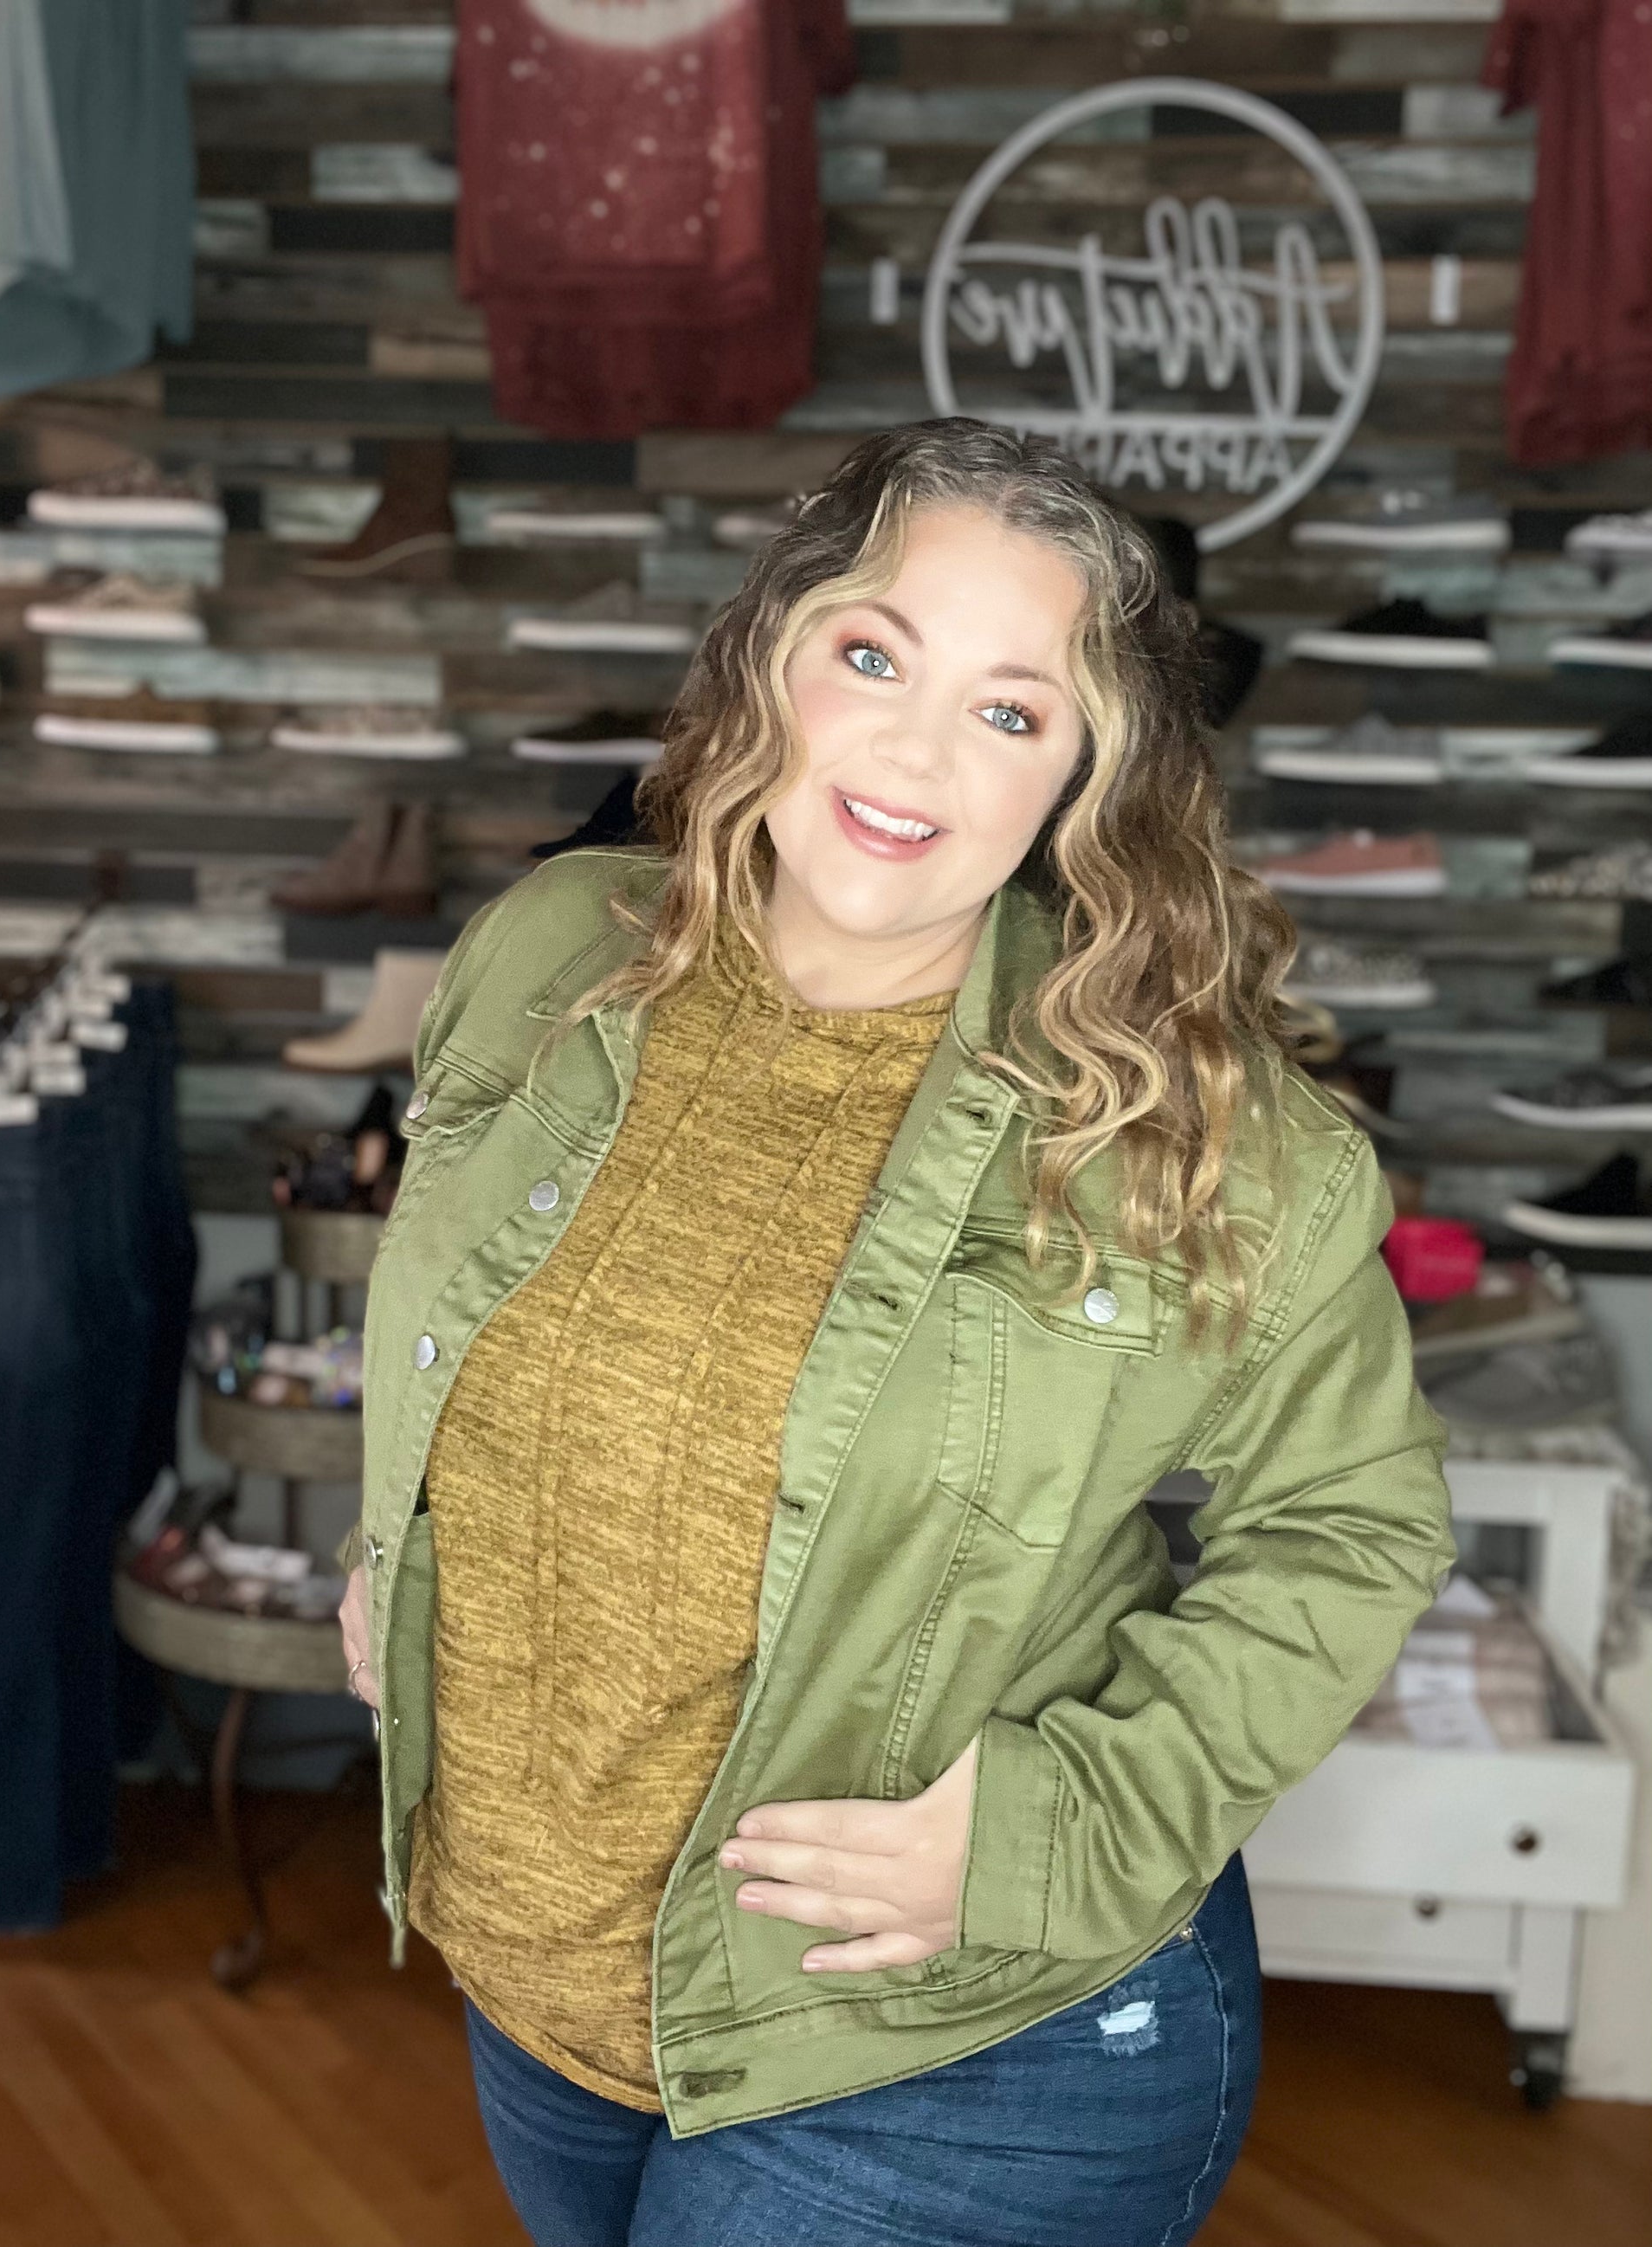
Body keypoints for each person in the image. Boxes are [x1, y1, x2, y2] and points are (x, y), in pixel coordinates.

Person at [339, 419, 1454, 2247]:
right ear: (773, 649)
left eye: (1010, 710)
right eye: (875, 655)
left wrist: (1054, 1826)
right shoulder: (549, 944)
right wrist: (389, 1548)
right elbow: (459, 1302)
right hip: (536, 1976)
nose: (917, 752)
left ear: (1082, 777)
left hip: (949, 2037)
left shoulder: (1201, 1133)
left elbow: (1351, 1525)